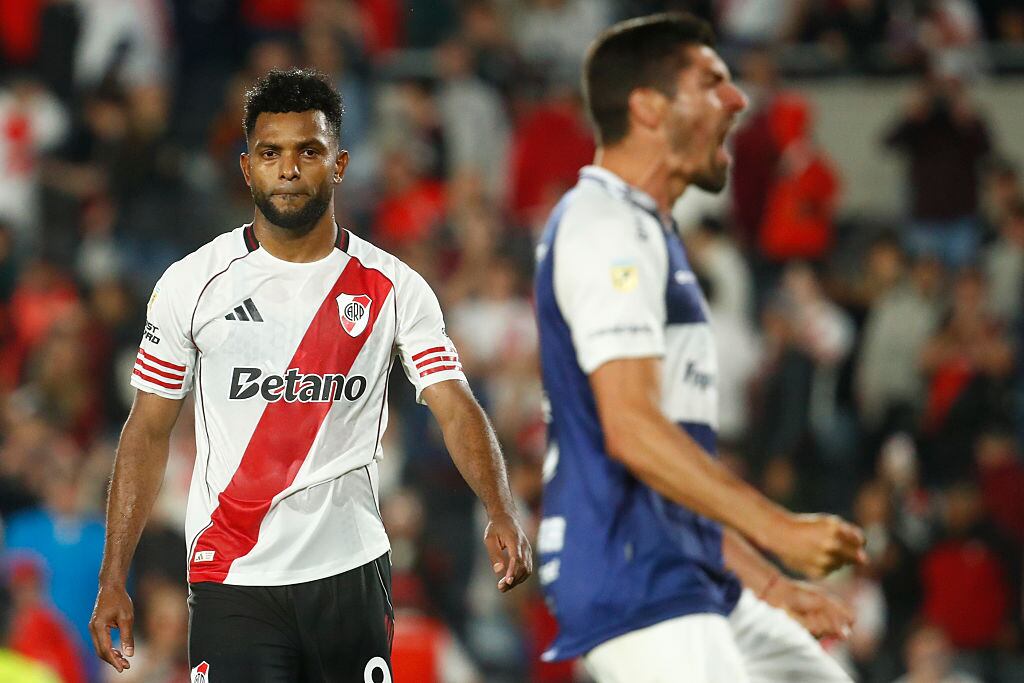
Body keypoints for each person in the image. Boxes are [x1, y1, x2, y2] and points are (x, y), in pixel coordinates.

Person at [88, 68, 532, 682]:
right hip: (234, 577)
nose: (289, 168)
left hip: (350, 570)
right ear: (246, 167)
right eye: (270, 153)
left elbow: (454, 404)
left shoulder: (395, 287)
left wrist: (501, 507)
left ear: (341, 163)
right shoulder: (191, 284)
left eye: (309, 151)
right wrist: (115, 575)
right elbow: (146, 430)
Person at [534, 13, 865, 681]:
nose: (737, 99)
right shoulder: (605, 229)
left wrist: (767, 583)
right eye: (712, 81)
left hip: (685, 564)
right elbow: (631, 430)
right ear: (649, 107)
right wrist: (780, 530)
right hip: (629, 571)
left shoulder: (648, 232)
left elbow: (671, 471)